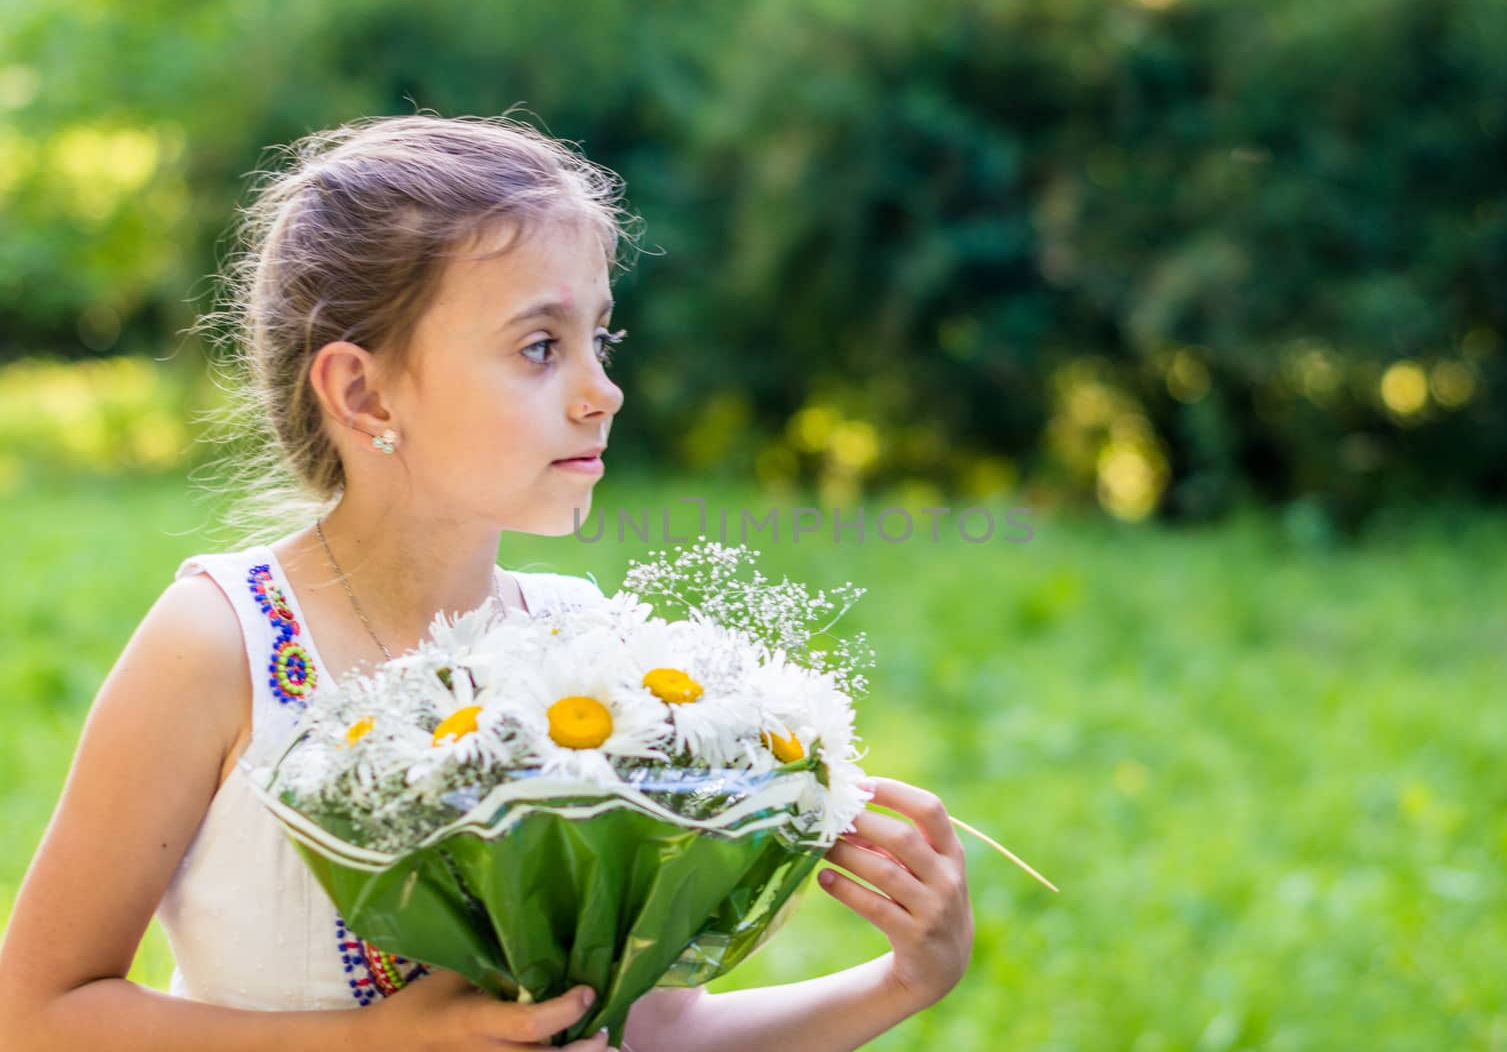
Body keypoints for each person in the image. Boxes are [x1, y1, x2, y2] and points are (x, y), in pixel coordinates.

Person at [0, 112, 973, 1051]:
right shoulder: (223, 642)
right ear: (363, 391)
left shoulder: (588, 660)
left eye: (603, 337)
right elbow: (37, 1014)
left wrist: (901, 980)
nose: (604, 389)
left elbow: (653, 1028)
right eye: (540, 345)